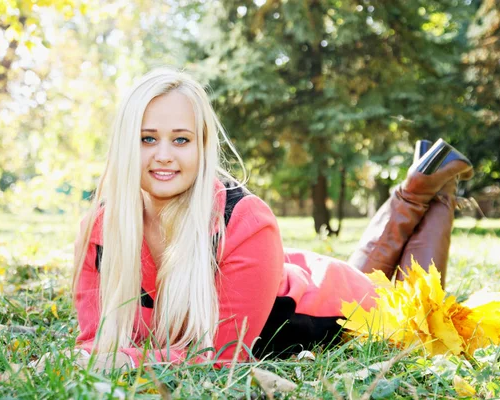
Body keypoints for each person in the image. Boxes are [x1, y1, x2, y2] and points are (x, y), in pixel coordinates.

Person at [70, 68, 473, 371]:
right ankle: (424, 176)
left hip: (336, 305)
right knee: (366, 272)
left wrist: (121, 361)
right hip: (287, 274)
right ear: (125, 144)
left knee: (411, 299)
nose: (163, 155)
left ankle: (435, 187)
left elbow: (221, 358)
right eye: (146, 138)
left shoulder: (244, 219)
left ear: (203, 146)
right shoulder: (101, 229)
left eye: (181, 139)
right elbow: (93, 343)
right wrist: (100, 357)